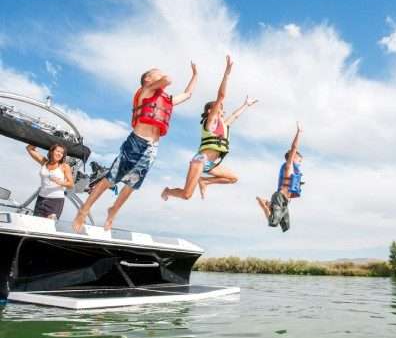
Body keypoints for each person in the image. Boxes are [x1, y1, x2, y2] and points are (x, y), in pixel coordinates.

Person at [73, 62, 198, 232]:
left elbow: (188, 94)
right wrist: (164, 77)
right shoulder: (146, 91)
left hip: (152, 149)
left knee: (133, 184)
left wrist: (195, 75)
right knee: (111, 179)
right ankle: (84, 209)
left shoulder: (166, 100)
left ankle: (113, 210)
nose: (162, 75)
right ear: (148, 79)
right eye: (157, 73)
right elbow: (167, 80)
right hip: (136, 143)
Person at [161, 55, 258, 201]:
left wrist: (246, 105)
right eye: (219, 108)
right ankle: (168, 191)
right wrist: (226, 74)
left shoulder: (223, 125)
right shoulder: (210, 121)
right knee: (186, 195)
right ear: (210, 111)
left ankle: (205, 181)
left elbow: (235, 115)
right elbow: (221, 96)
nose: (222, 110)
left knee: (233, 178)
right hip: (200, 160)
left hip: (210, 164)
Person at [256, 122, 304, 232]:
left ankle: (269, 204)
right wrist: (299, 132)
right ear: (292, 158)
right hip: (279, 197)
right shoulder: (289, 166)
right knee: (273, 222)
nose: (300, 164)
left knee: (286, 227)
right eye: (299, 160)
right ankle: (264, 204)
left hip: (285, 201)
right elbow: (294, 147)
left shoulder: (294, 172)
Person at [26, 144, 74, 220]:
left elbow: (71, 184)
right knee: (36, 224)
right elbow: (29, 148)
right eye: (57, 151)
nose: (59, 154)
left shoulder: (64, 166)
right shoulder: (44, 162)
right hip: (41, 199)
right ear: (51, 151)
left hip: (55, 201)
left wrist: (60, 182)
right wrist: (44, 139)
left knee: (49, 225)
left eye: (62, 153)